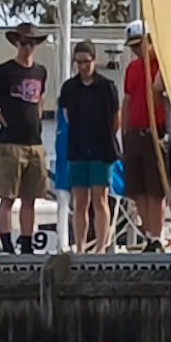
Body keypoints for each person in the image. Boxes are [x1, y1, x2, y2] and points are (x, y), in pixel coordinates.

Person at [0, 21, 51, 253]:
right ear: (16, 43)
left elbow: (41, 97)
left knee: (30, 198)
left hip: (35, 143)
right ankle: (6, 245)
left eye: (31, 43)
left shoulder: (41, 71)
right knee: (7, 197)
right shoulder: (4, 71)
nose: (27, 47)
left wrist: (39, 116)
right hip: (10, 142)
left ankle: (27, 244)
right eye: (24, 43)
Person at [56, 38, 123, 254]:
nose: (83, 66)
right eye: (79, 62)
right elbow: (66, 115)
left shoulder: (107, 87)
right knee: (80, 201)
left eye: (86, 61)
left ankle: (101, 246)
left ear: (94, 60)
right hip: (77, 148)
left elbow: (116, 119)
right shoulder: (69, 88)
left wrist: (105, 137)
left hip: (101, 149)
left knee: (100, 199)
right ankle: (80, 246)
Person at [119, 22, 171, 247]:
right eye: (132, 47)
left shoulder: (162, 65)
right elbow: (128, 100)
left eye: (139, 45)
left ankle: (157, 236)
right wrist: (124, 133)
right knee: (137, 189)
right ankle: (149, 234)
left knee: (155, 190)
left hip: (156, 132)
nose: (136, 50)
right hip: (135, 133)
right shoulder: (132, 68)